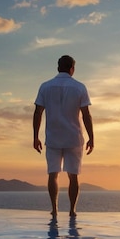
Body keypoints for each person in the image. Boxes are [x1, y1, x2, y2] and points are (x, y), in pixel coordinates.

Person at [33, 55, 94, 217]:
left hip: (53, 137)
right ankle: (72, 210)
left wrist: (35, 137)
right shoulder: (79, 87)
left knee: (52, 174)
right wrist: (91, 138)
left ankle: (54, 209)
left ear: (58, 67)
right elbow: (86, 114)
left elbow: (38, 112)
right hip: (73, 137)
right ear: (72, 68)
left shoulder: (45, 86)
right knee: (73, 176)